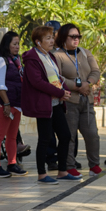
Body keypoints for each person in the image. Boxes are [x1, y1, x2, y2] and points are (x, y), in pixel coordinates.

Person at [22, 25, 74, 184]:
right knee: (45, 139)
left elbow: (57, 78)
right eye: (48, 38)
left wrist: (63, 91)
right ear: (38, 42)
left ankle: (62, 171)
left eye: (52, 37)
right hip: (43, 104)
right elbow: (37, 82)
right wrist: (59, 93)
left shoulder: (49, 56)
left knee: (65, 136)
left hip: (56, 103)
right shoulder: (32, 58)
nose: (52, 40)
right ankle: (42, 174)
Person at [55, 23, 101, 176]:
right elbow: (57, 77)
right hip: (70, 101)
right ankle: (69, 166)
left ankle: (94, 165)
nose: (76, 39)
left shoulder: (85, 52)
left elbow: (95, 71)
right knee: (70, 136)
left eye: (78, 36)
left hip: (86, 100)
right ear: (63, 38)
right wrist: (75, 86)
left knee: (92, 134)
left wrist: (88, 83)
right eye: (72, 36)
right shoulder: (57, 55)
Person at [0, 31, 26, 177]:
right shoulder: (1, 60)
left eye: (18, 44)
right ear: (7, 44)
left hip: (16, 104)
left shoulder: (16, 61)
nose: (17, 47)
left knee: (12, 137)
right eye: (14, 44)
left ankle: (12, 163)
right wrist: (6, 103)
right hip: (6, 104)